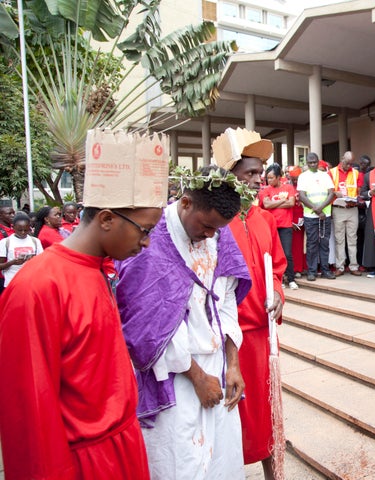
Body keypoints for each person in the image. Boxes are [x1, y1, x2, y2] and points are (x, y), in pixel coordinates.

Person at [0, 130, 169, 479]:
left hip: (121, 445)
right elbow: (29, 412)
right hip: (82, 463)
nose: (148, 243)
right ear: (106, 219)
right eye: (144, 230)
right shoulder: (37, 286)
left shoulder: (99, 269)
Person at [116, 164, 251, 480]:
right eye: (206, 226)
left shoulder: (219, 234)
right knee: (181, 462)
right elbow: (145, 325)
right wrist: (197, 376)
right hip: (173, 372)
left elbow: (226, 298)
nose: (210, 235)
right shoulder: (149, 241)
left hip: (217, 365)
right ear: (186, 203)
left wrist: (233, 364)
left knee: (222, 459)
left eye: (217, 229)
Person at [213, 128, 287, 480]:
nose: (260, 180)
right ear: (232, 177)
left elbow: (277, 267)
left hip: (261, 334)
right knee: (230, 415)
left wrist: (277, 291)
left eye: (261, 173)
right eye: (251, 174)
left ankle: (273, 473)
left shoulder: (266, 219)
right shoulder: (215, 223)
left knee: (265, 411)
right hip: (227, 337)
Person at [297, 152, 336, 281]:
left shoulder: (325, 175)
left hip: (326, 215)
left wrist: (321, 209)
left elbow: (331, 193)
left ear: (318, 161)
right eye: (310, 162)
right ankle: (312, 271)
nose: (313, 164)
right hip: (310, 216)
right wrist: (317, 210)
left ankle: (325, 270)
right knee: (312, 244)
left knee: (324, 243)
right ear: (307, 163)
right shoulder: (303, 177)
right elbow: (302, 196)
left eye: (315, 162)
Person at [259, 163, 298, 289]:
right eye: (267, 178)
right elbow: (267, 205)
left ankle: (291, 279)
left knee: (287, 253)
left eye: (271, 178)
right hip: (270, 227)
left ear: (278, 177)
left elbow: (291, 203)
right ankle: (278, 280)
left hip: (285, 225)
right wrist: (282, 201)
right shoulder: (265, 190)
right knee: (274, 254)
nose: (269, 180)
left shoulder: (288, 187)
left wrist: (274, 202)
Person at [328, 151, 363, 276]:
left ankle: (353, 266)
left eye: (350, 164)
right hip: (338, 208)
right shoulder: (332, 172)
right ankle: (340, 266)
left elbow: (358, 191)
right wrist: (335, 193)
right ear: (342, 158)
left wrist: (355, 198)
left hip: (352, 208)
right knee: (339, 239)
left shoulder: (356, 173)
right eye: (346, 163)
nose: (348, 166)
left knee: (353, 238)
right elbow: (329, 189)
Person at [0, 212, 43, 287]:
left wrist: (33, 259)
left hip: (31, 281)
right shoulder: (5, 242)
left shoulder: (35, 241)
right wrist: (12, 262)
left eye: (26, 230)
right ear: (13, 227)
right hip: (12, 282)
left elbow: (42, 261)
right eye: (20, 230)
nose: (23, 232)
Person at [288, 166, 307, 277]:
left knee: (305, 244)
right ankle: (296, 268)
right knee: (295, 245)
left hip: (305, 217)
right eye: (292, 178)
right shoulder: (287, 187)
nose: (295, 181)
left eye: (297, 178)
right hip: (292, 218)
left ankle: (304, 267)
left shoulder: (304, 186)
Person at [0, 203, 15, 296]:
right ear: (0, 215)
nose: (13, 215)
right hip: (3, 276)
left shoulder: (15, 229)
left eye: (13, 213)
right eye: (9, 214)